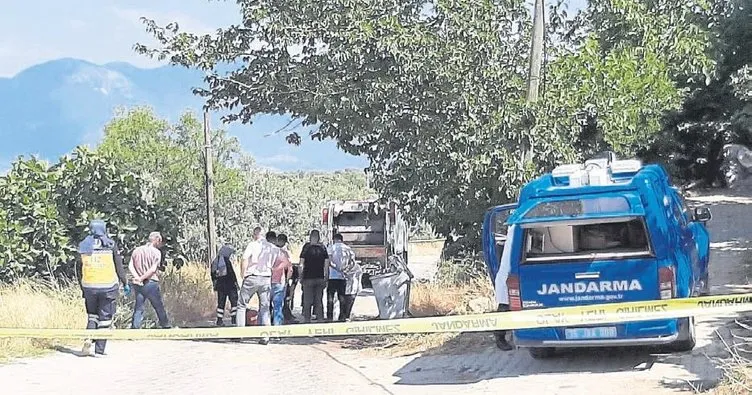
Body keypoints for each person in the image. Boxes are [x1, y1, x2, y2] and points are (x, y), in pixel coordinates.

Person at [76, 219, 130, 357]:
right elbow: (118, 266)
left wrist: (82, 285)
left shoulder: (83, 245)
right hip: (108, 287)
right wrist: (125, 282)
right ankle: (99, 349)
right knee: (105, 318)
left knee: (92, 316)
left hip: (89, 287)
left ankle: (88, 339)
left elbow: (78, 268)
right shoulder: (110, 244)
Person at [237, 230, 280, 345]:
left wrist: (243, 273)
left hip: (252, 277)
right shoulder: (272, 247)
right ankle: (265, 336)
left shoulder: (252, 245)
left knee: (241, 305)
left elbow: (245, 258)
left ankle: (239, 333)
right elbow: (277, 263)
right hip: (266, 278)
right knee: (264, 307)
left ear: (255, 235)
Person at [129, 231, 172, 329]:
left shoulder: (137, 250)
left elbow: (130, 265)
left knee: (139, 307)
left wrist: (137, 277)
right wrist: (142, 278)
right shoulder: (156, 252)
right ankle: (165, 325)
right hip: (151, 282)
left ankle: (135, 328)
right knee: (158, 306)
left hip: (138, 284)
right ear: (157, 240)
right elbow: (153, 269)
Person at [493, 224, 517, 351]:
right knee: (504, 308)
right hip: (507, 276)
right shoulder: (515, 229)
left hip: (510, 274)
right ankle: (499, 338)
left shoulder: (513, 228)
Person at [299, 229, 329, 323]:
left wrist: (300, 277)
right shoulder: (323, 248)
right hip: (320, 277)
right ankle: (320, 319)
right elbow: (327, 264)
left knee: (307, 301)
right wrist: (326, 277)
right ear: (319, 237)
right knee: (319, 300)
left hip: (308, 278)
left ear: (310, 237)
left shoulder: (306, 247)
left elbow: (301, 264)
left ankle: (307, 320)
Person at [326, 233, 355, 322]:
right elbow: (353, 262)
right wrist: (345, 269)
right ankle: (342, 316)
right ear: (342, 240)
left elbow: (329, 262)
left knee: (330, 298)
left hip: (332, 276)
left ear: (334, 239)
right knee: (342, 297)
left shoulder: (331, 248)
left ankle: (330, 317)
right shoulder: (348, 249)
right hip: (343, 277)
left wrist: (336, 269)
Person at [211, 243, 239, 326]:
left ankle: (219, 320)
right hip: (230, 285)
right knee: (234, 302)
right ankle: (234, 319)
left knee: (221, 303)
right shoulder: (226, 261)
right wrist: (235, 282)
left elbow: (213, 274)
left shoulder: (216, 261)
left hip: (220, 286)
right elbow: (231, 273)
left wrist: (215, 284)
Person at [270, 233, 293, 326]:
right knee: (278, 307)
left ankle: (264, 329)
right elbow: (290, 269)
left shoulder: (267, 252)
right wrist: (287, 281)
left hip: (267, 281)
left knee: (265, 307)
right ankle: (276, 330)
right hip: (279, 282)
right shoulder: (283, 253)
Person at [339, 253, 362, 322]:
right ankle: (342, 316)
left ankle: (347, 316)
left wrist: (359, 288)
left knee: (350, 302)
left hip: (354, 287)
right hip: (345, 287)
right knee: (343, 302)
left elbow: (358, 277)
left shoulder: (357, 267)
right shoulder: (344, 266)